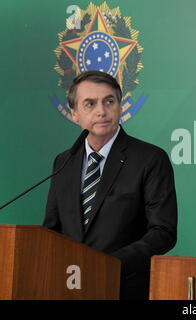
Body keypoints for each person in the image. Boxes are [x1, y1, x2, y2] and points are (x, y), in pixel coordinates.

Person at [43, 70, 177, 299]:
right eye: (90, 104)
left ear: (120, 106)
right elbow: (51, 231)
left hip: (125, 288)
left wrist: (108, 265)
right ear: (74, 114)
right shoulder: (64, 161)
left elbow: (163, 232)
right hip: (69, 289)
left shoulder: (150, 159)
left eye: (109, 101)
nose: (101, 112)